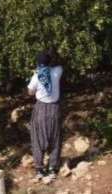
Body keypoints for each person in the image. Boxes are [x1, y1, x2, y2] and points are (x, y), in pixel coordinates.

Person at [27, 51, 63, 183]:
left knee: (38, 138)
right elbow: (59, 64)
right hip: (55, 108)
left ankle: (40, 169)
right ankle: (53, 168)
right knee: (55, 137)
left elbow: (30, 92)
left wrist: (34, 74)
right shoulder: (57, 72)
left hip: (41, 108)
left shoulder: (36, 76)